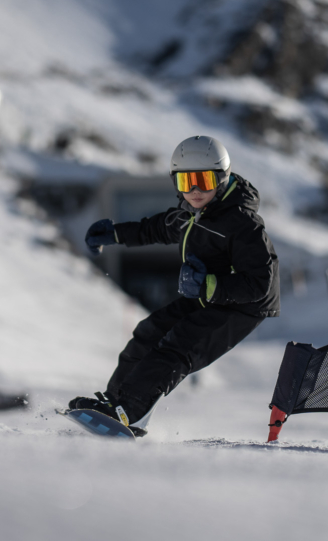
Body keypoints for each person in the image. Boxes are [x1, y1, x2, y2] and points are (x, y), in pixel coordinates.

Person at [70, 136, 280, 435]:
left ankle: (131, 412)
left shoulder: (243, 224)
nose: (194, 191)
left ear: (222, 178)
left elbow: (260, 283)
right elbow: (155, 229)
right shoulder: (189, 214)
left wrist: (207, 285)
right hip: (206, 294)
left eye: (203, 181)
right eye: (185, 182)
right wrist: (116, 234)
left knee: (178, 346)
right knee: (149, 332)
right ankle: (115, 402)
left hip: (243, 305)